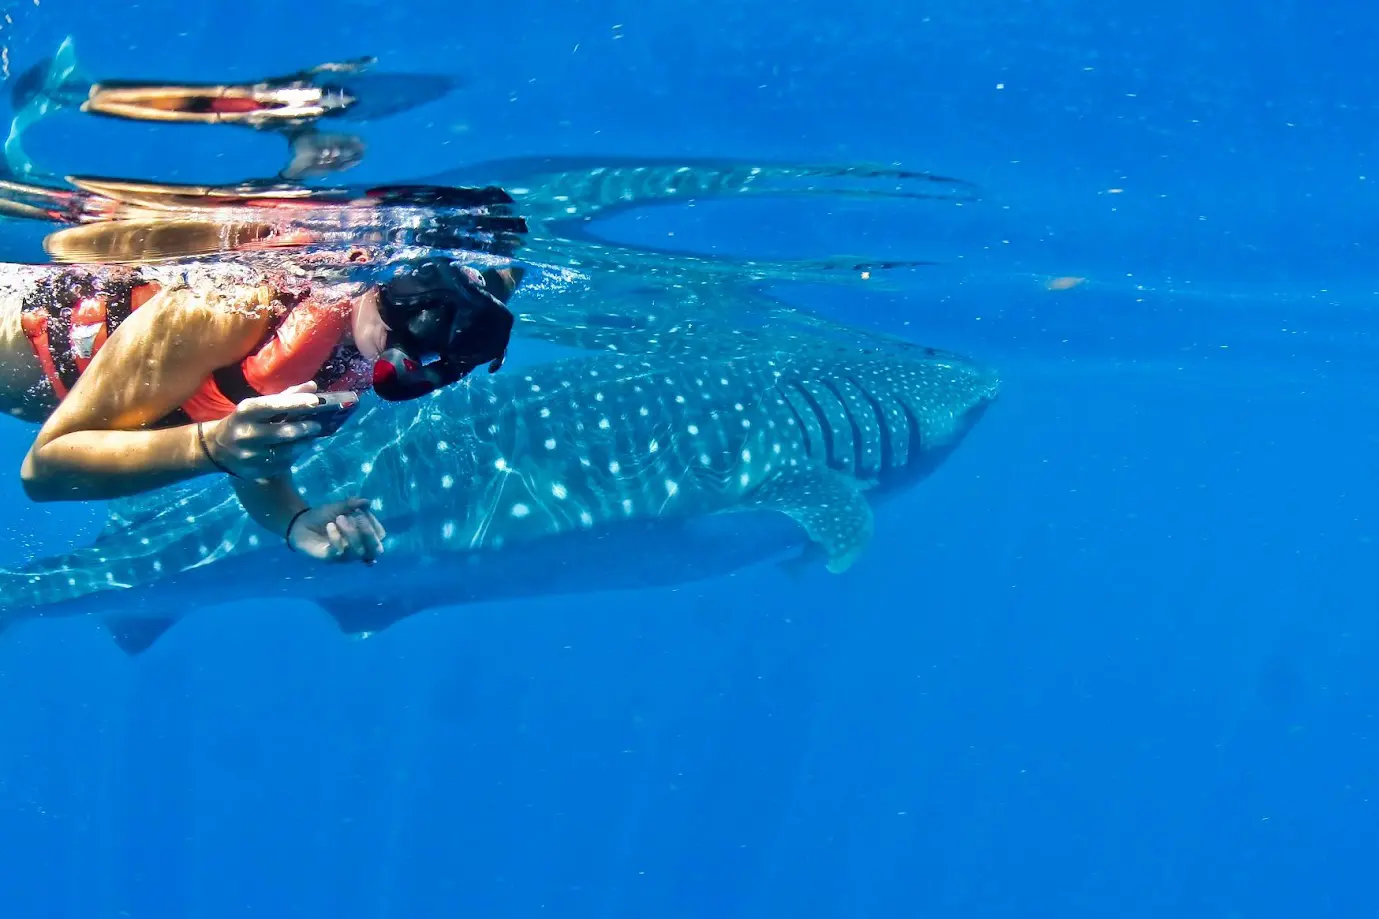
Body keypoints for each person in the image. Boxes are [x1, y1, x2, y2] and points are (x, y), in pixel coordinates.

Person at [0, 254, 521, 564]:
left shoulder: (357, 355)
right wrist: (209, 446)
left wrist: (293, 520)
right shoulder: (226, 307)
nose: (421, 339)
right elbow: (43, 472)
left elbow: (257, 453)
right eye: (432, 300)